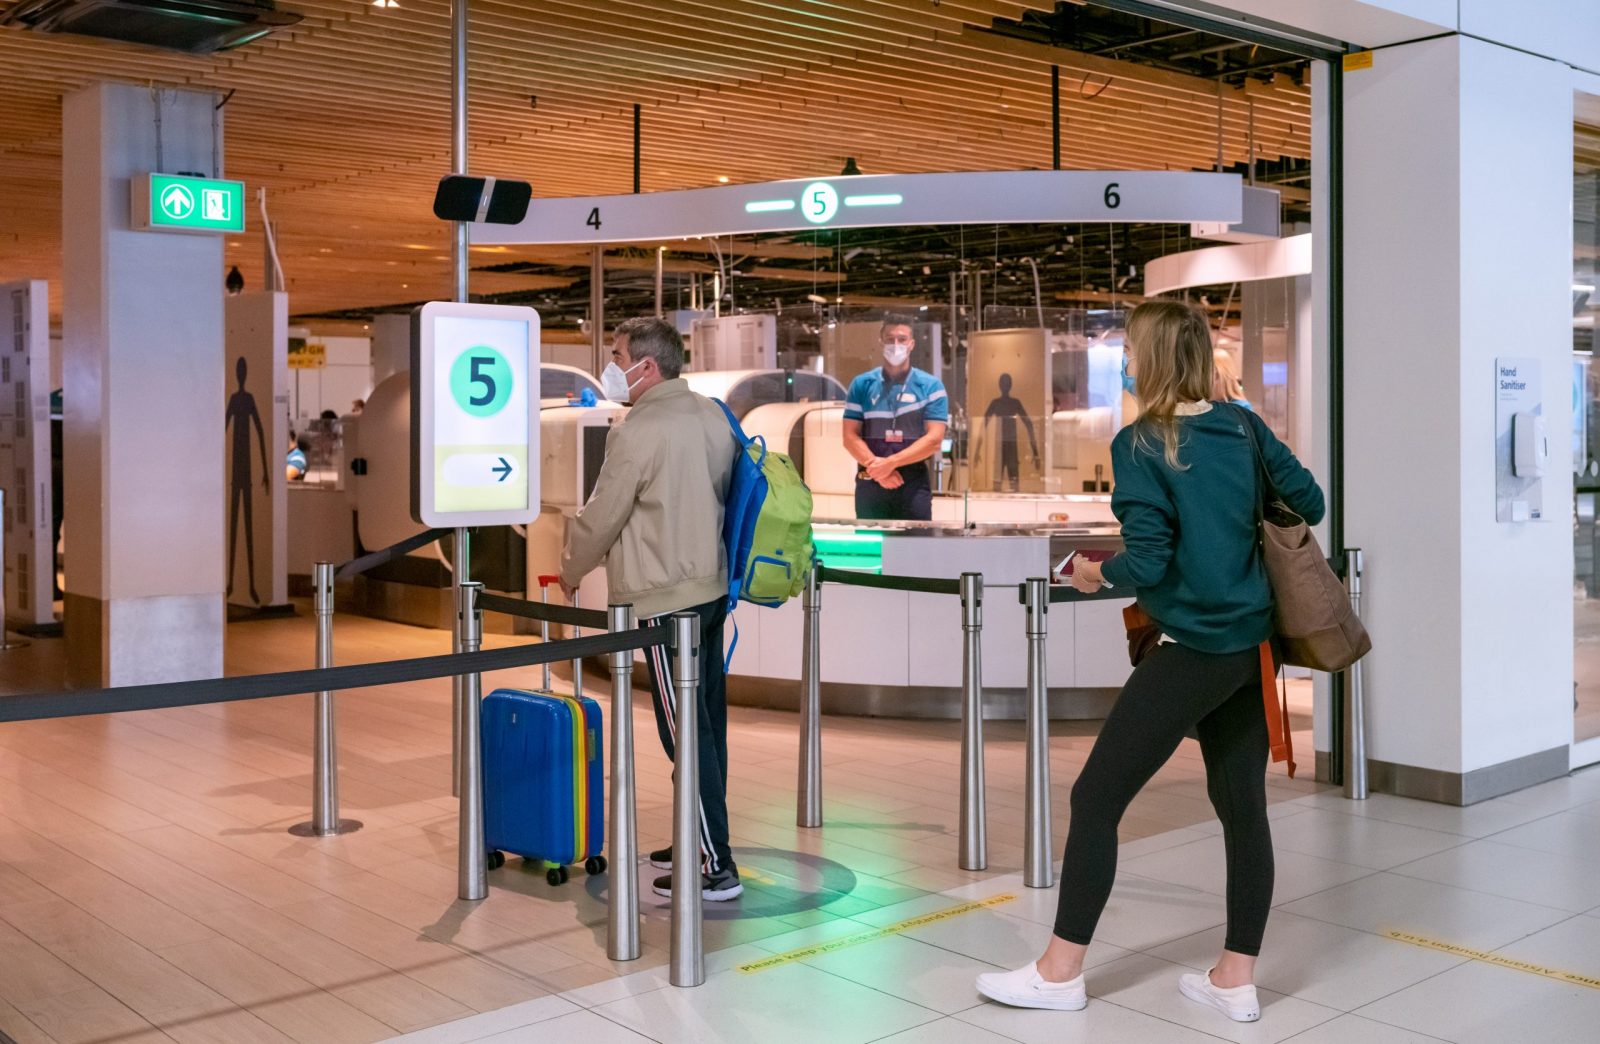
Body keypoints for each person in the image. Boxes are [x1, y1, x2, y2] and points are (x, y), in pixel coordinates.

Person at [974, 299, 1324, 1025]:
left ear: (1157, 360)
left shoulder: (1141, 444)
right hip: (1249, 649)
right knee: (1241, 807)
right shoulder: (1245, 427)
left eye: (1132, 350)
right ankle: (1235, 978)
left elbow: (1151, 561)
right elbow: (1309, 501)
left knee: (1096, 799)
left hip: (1191, 648)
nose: (1126, 362)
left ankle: (1060, 972)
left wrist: (1096, 572)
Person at [558, 316, 743, 901]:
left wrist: (569, 568)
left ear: (646, 366)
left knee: (682, 733)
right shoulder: (713, 414)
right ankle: (698, 834)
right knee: (706, 727)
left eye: (617, 356)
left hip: (667, 605)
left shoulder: (638, 429)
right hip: (711, 593)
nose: (613, 367)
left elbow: (604, 512)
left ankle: (716, 866)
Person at [842, 316, 948, 520]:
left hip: (912, 480)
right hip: (870, 476)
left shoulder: (931, 387)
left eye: (902, 339)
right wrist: (879, 469)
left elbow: (934, 440)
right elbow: (849, 437)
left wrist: (890, 463)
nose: (896, 345)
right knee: (871, 548)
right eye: (890, 339)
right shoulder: (862, 384)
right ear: (881, 342)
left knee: (914, 546)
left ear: (912, 344)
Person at [981, 372, 1040, 492]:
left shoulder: (1014, 403)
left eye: (1006, 384)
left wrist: (1035, 452)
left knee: (1013, 482)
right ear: (1001, 385)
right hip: (1000, 445)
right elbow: (983, 426)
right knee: (998, 482)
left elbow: (1029, 424)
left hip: (1011, 444)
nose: (1005, 386)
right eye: (1004, 383)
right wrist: (976, 451)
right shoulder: (997, 403)